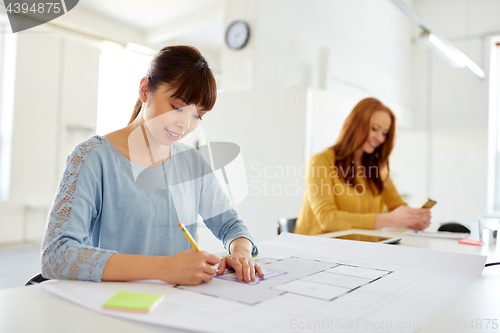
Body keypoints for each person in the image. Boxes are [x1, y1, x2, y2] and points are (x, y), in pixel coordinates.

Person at [41, 45, 264, 286]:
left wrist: (240, 252)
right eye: (177, 108)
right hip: (117, 306)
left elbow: (231, 225)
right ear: (145, 90)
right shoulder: (93, 157)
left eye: (197, 116)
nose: (185, 125)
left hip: (179, 304)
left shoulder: (191, 162)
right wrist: (164, 268)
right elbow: (57, 255)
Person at [294, 97, 431, 235]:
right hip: (318, 248)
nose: (380, 138)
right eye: (374, 129)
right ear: (356, 124)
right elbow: (327, 218)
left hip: (362, 249)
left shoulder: (377, 169)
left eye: (384, 133)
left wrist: (414, 219)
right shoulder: (320, 162)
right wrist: (388, 220)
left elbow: (398, 206)